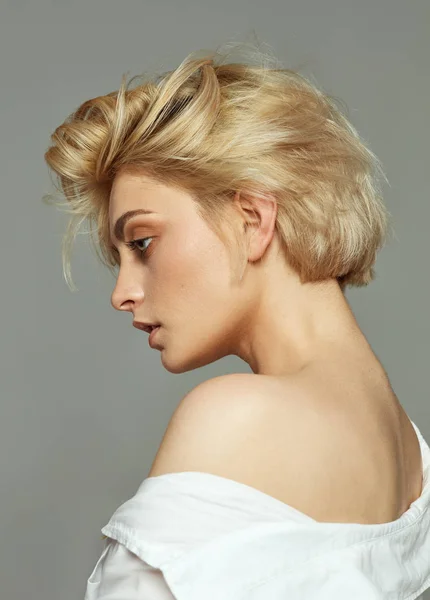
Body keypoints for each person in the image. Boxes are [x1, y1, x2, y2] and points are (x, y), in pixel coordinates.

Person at [43, 42, 430, 599]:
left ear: (252, 220)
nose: (122, 294)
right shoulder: (410, 453)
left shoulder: (235, 418)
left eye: (143, 242)